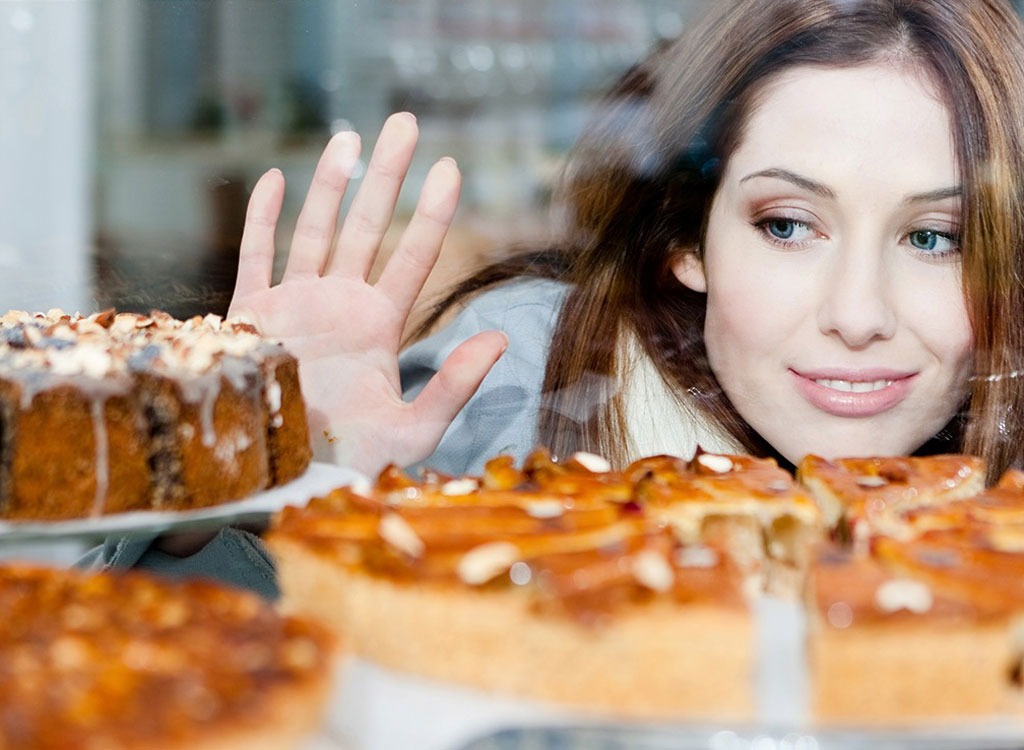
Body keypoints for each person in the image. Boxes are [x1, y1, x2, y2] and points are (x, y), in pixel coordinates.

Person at [89, 0, 1024, 595]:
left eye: (933, 238)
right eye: (786, 224)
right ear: (684, 238)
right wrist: (253, 505)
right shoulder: (515, 395)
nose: (857, 314)